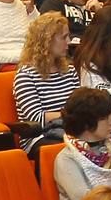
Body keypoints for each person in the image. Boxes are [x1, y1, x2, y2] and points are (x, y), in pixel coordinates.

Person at [12, 12, 76, 148]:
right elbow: (36, 118)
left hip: (71, 131)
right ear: (47, 41)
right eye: (64, 37)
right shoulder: (26, 76)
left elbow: (80, 105)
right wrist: (72, 116)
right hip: (39, 137)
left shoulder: (69, 71)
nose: (69, 42)